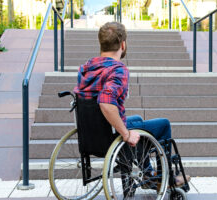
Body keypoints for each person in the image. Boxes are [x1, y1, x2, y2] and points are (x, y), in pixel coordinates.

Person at [73, 22, 189, 186]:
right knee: (163, 125)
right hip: (110, 135)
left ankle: (148, 174)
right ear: (123, 44)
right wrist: (126, 134)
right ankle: (163, 179)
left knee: (137, 120)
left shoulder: (86, 68)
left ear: (102, 43)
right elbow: (106, 103)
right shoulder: (117, 70)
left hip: (91, 134)